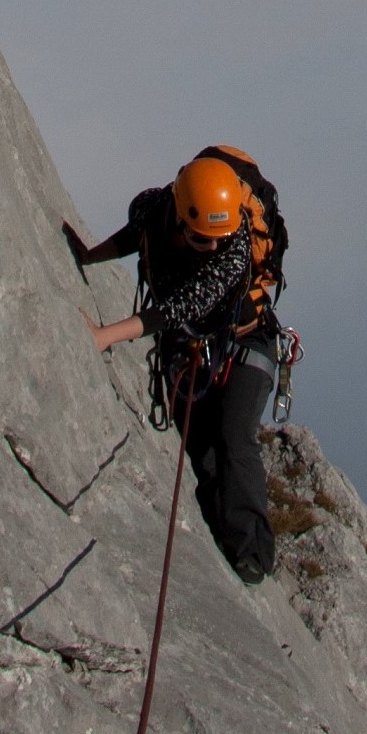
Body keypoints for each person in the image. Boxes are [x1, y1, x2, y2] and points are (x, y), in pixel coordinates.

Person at [69, 153, 277, 586]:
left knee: (234, 437)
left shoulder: (232, 253)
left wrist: (104, 336)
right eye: (203, 239)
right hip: (193, 347)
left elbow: (172, 310)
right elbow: (137, 236)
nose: (214, 246)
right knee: (201, 451)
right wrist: (89, 257)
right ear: (181, 220)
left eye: (219, 237)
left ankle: (253, 554)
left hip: (247, 340)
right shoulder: (154, 207)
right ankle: (222, 540)